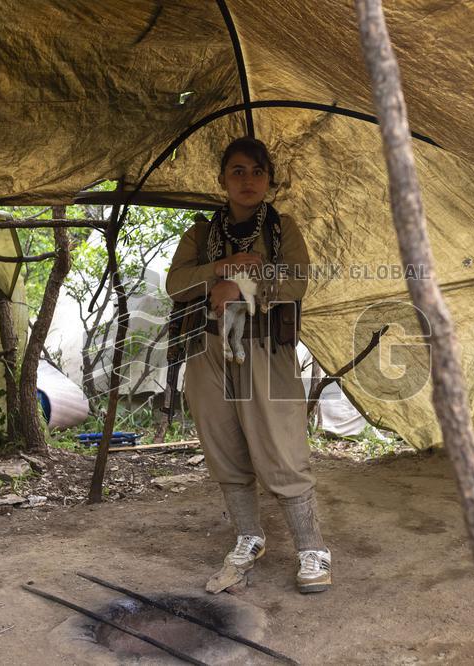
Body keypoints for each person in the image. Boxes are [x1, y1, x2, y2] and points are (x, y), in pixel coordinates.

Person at [164, 136, 331, 594]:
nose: (248, 180)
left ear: (269, 180)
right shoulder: (200, 234)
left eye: (257, 172)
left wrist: (239, 285)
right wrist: (222, 268)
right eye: (237, 171)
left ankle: (312, 549)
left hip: (264, 351)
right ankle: (249, 538)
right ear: (221, 179)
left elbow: (296, 282)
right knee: (225, 447)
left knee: (282, 449)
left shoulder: (282, 228)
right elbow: (176, 285)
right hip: (210, 350)